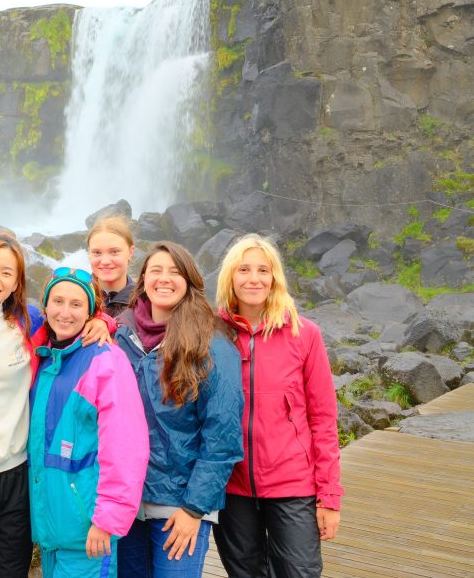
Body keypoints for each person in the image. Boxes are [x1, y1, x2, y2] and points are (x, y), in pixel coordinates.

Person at [0, 233, 113, 578]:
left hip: (17, 474)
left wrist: (101, 321)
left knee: (13, 569)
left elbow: (69, 320)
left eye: (7, 272)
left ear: (17, 282)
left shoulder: (28, 322)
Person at [213, 233, 343, 577]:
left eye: (262, 270)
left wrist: (329, 496)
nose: (253, 278)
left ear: (274, 278)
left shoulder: (304, 333)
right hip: (232, 485)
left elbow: (324, 419)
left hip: (292, 483)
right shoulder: (213, 333)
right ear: (231, 277)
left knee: (299, 572)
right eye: (244, 269)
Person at [114, 241, 243, 577]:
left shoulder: (212, 343)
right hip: (127, 500)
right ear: (142, 280)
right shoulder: (122, 335)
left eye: (174, 271)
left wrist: (194, 509)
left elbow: (223, 435)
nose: (164, 279)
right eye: (155, 270)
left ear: (189, 280)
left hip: (179, 506)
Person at [29, 267, 149, 577]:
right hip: (52, 531)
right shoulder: (44, 356)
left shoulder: (104, 360)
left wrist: (107, 519)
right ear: (44, 307)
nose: (65, 312)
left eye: (76, 304)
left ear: (90, 312)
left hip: (88, 531)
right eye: (57, 301)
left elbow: (125, 448)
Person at [87, 216, 136, 317]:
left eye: (114, 252)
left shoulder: (144, 301)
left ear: (131, 252)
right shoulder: (76, 295)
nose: (105, 261)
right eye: (97, 252)